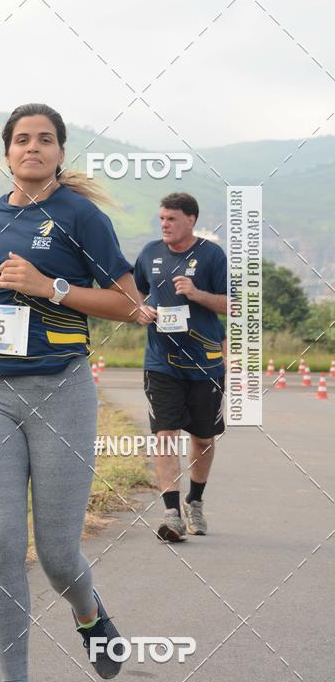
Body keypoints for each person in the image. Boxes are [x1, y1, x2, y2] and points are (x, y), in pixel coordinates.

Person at [0, 103, 137, 682]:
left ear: (59, 152)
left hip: (62, 393)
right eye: (21, 139)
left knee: (56, 554)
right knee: (1, 542)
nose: (32, 147)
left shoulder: (83, 219)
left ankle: (90, 613)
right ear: (7, 152)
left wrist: (52, 287)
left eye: (44, 139)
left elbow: (131, 307)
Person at [134, 192, 227, 542]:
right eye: (161, 219)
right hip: (161, 362)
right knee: (165, 435)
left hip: (204, 363)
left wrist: (197, 293)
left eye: (171, 219)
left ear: (191, 220)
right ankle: (171, 512)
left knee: (203, 438)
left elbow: (232, 304)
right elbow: (135, 295)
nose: (164, 225)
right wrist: (139, 311)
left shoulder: (211, 255)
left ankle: (195, 501)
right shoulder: (149, 253)